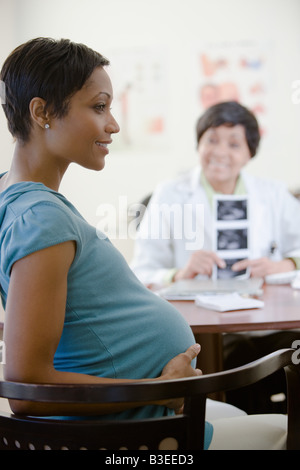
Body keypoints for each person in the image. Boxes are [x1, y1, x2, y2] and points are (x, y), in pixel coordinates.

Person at [0, 38, 287, 450]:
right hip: (128, 438)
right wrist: (159, 388)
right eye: (99, 107)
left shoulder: (19, 200)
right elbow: (26, 389)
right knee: (281, 426)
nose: (113, 124)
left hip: (130, 417)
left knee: (235, 413)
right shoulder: (40, 217)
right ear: (42, 112)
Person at [131, 101, 300, 414]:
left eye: (234, 144)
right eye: (212, 140)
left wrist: (285, 264)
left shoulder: (273, 194)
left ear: (250, 152)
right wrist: (179, 274)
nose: (220, 152)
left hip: (266, 324)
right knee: (237, 367)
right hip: (205, 333)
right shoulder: (170, 194)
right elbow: (141, 270)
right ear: (199, 144)